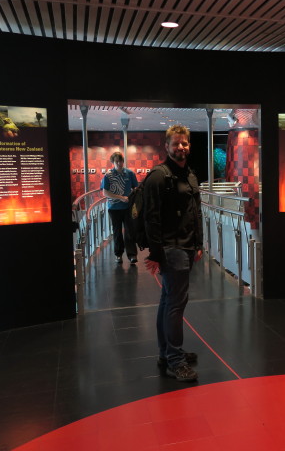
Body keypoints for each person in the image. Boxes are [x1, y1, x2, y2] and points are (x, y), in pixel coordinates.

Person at [143, 125, 204, 382]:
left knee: (168, 301)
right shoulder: (159, 176)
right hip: (172, 248)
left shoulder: (189, 174)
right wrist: (156, 253)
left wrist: (198, 245)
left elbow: (195, 212)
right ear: (166, 146)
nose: (181, 147)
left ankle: (166, 352)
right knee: (176, 305)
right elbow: (151, 218)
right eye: (176, 144)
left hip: (188, 247)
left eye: (185, 143)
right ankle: (175, 360)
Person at [101, 152, 139, 264]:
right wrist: (120, 197)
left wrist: (135, 204)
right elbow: (105, 193)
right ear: (113, 162)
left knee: (129, 231)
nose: (119, 163)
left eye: (121, 161)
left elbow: (135, 188)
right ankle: (118, 254)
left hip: (128, 207)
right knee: (117, 232)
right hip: (114, 208)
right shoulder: (108, 175)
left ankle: (132, 255)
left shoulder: (130, 173)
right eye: (116, 161)